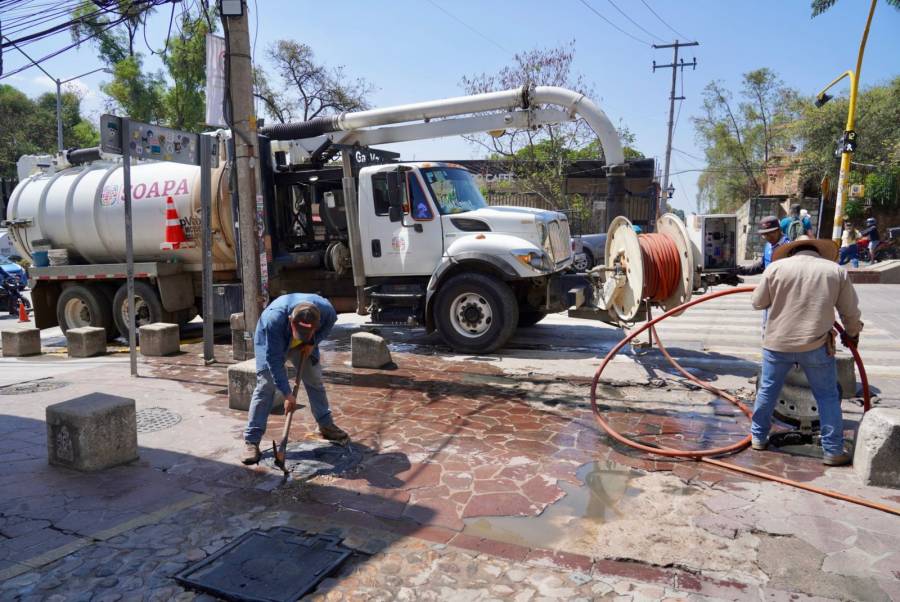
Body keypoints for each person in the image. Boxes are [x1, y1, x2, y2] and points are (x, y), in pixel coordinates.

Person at [749, 235, 863, 466]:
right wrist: (852, 333)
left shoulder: (776, 268)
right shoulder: (834, 271)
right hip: (816, 344)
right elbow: (849, 312)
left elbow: (757, 302)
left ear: (792, 251)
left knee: (768, 391)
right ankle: (832, 451)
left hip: (777, 344)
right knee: (827, 396)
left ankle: (758, 438)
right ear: (817, 251)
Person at [242, 293, 349, 465]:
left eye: (308, 332)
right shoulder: (274, 320)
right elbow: (274, 361)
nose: (302, 335)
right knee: (266, 386)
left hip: (306, 346)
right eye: (299, 332)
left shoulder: (326, 310)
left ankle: (325, 425)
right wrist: (287, 394)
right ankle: (251, 441)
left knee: (314, 380)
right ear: (291, 320)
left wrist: (312, 342)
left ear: (316, 325)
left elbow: (331, 322)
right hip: (272, 342)